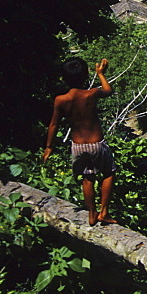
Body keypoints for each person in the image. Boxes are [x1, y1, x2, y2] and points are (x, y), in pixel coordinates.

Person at [43, 58, 117, 226]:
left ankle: (92, 214)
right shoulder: (91, 94)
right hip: (96, 142)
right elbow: (108, 90)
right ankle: (104, 212)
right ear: (85, 76)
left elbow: (54, 124)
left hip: (77, 145)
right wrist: (100, 74)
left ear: (63, 78)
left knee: (87, 177)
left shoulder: (60, 100)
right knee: (109, 173)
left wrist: (49, 147)